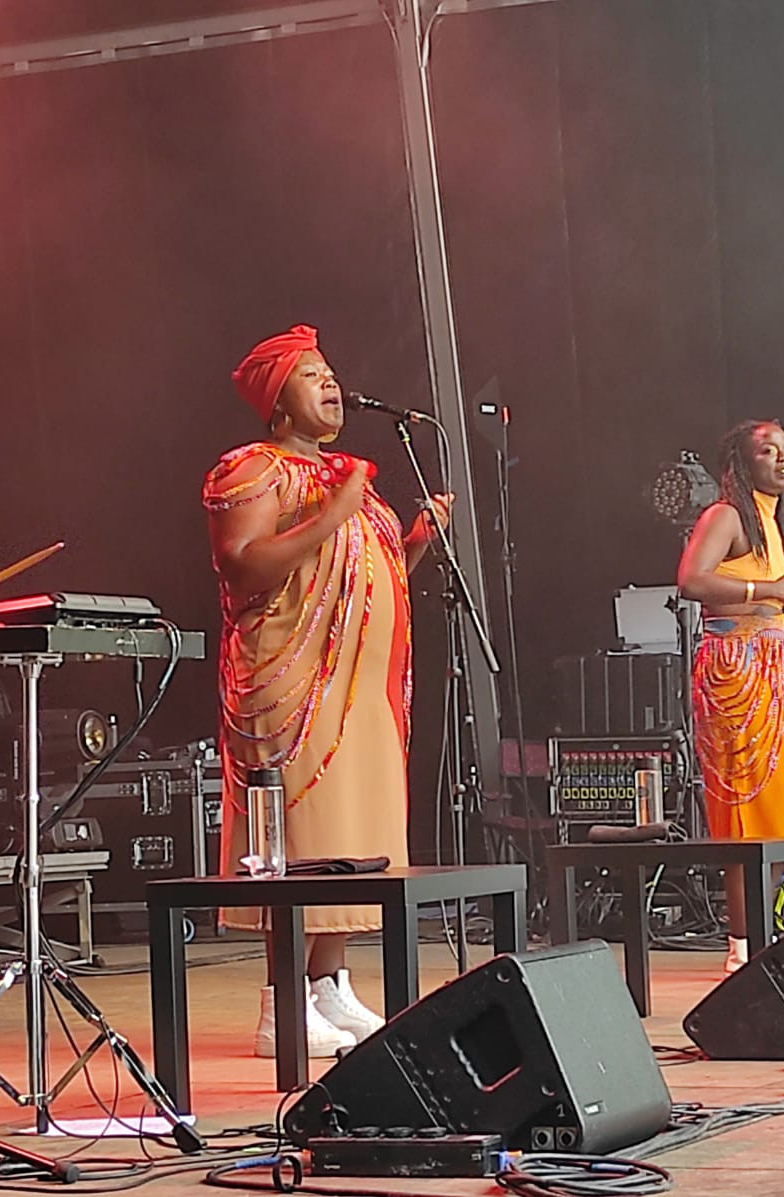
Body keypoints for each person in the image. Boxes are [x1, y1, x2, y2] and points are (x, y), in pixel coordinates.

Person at [204, 325, 452, 1057]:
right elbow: (242, 564)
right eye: (312, 375)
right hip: (293, 682)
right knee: (303, 839)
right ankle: (280, 1001)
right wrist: (334, 512)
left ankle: (327, 984)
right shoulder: (253, 468)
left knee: (350, 839)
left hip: (360, 688)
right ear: (278, 400)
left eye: (331, 373)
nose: (332, 383)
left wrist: (415, 541)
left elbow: (357, 577)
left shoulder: (347, 479)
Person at [677, 419, 784, 977]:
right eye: (768, 450)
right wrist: (770, 590)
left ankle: (760, 930)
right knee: (745, 813)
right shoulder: (725, 515)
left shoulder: (771, 521)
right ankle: (741, 944)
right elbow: (691, 580)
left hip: (772, 671)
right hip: (735, 669)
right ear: (742, 462)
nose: (783, 459)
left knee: (782, 814)